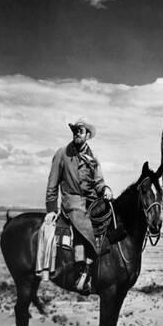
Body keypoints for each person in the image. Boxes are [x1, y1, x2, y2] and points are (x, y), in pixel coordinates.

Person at [45, 118, 113, 294]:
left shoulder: (93, 158)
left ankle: (107, 269)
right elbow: (52, 183)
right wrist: (52, 209)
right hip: (72, 201)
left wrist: (105, 189)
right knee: (83, 224)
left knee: (111, 217)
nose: (76, 133)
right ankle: (82, 272)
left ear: (87, 136)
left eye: (80, 131)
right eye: (75, 130)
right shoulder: (62, 154)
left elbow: (98, 183)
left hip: (91, 201)